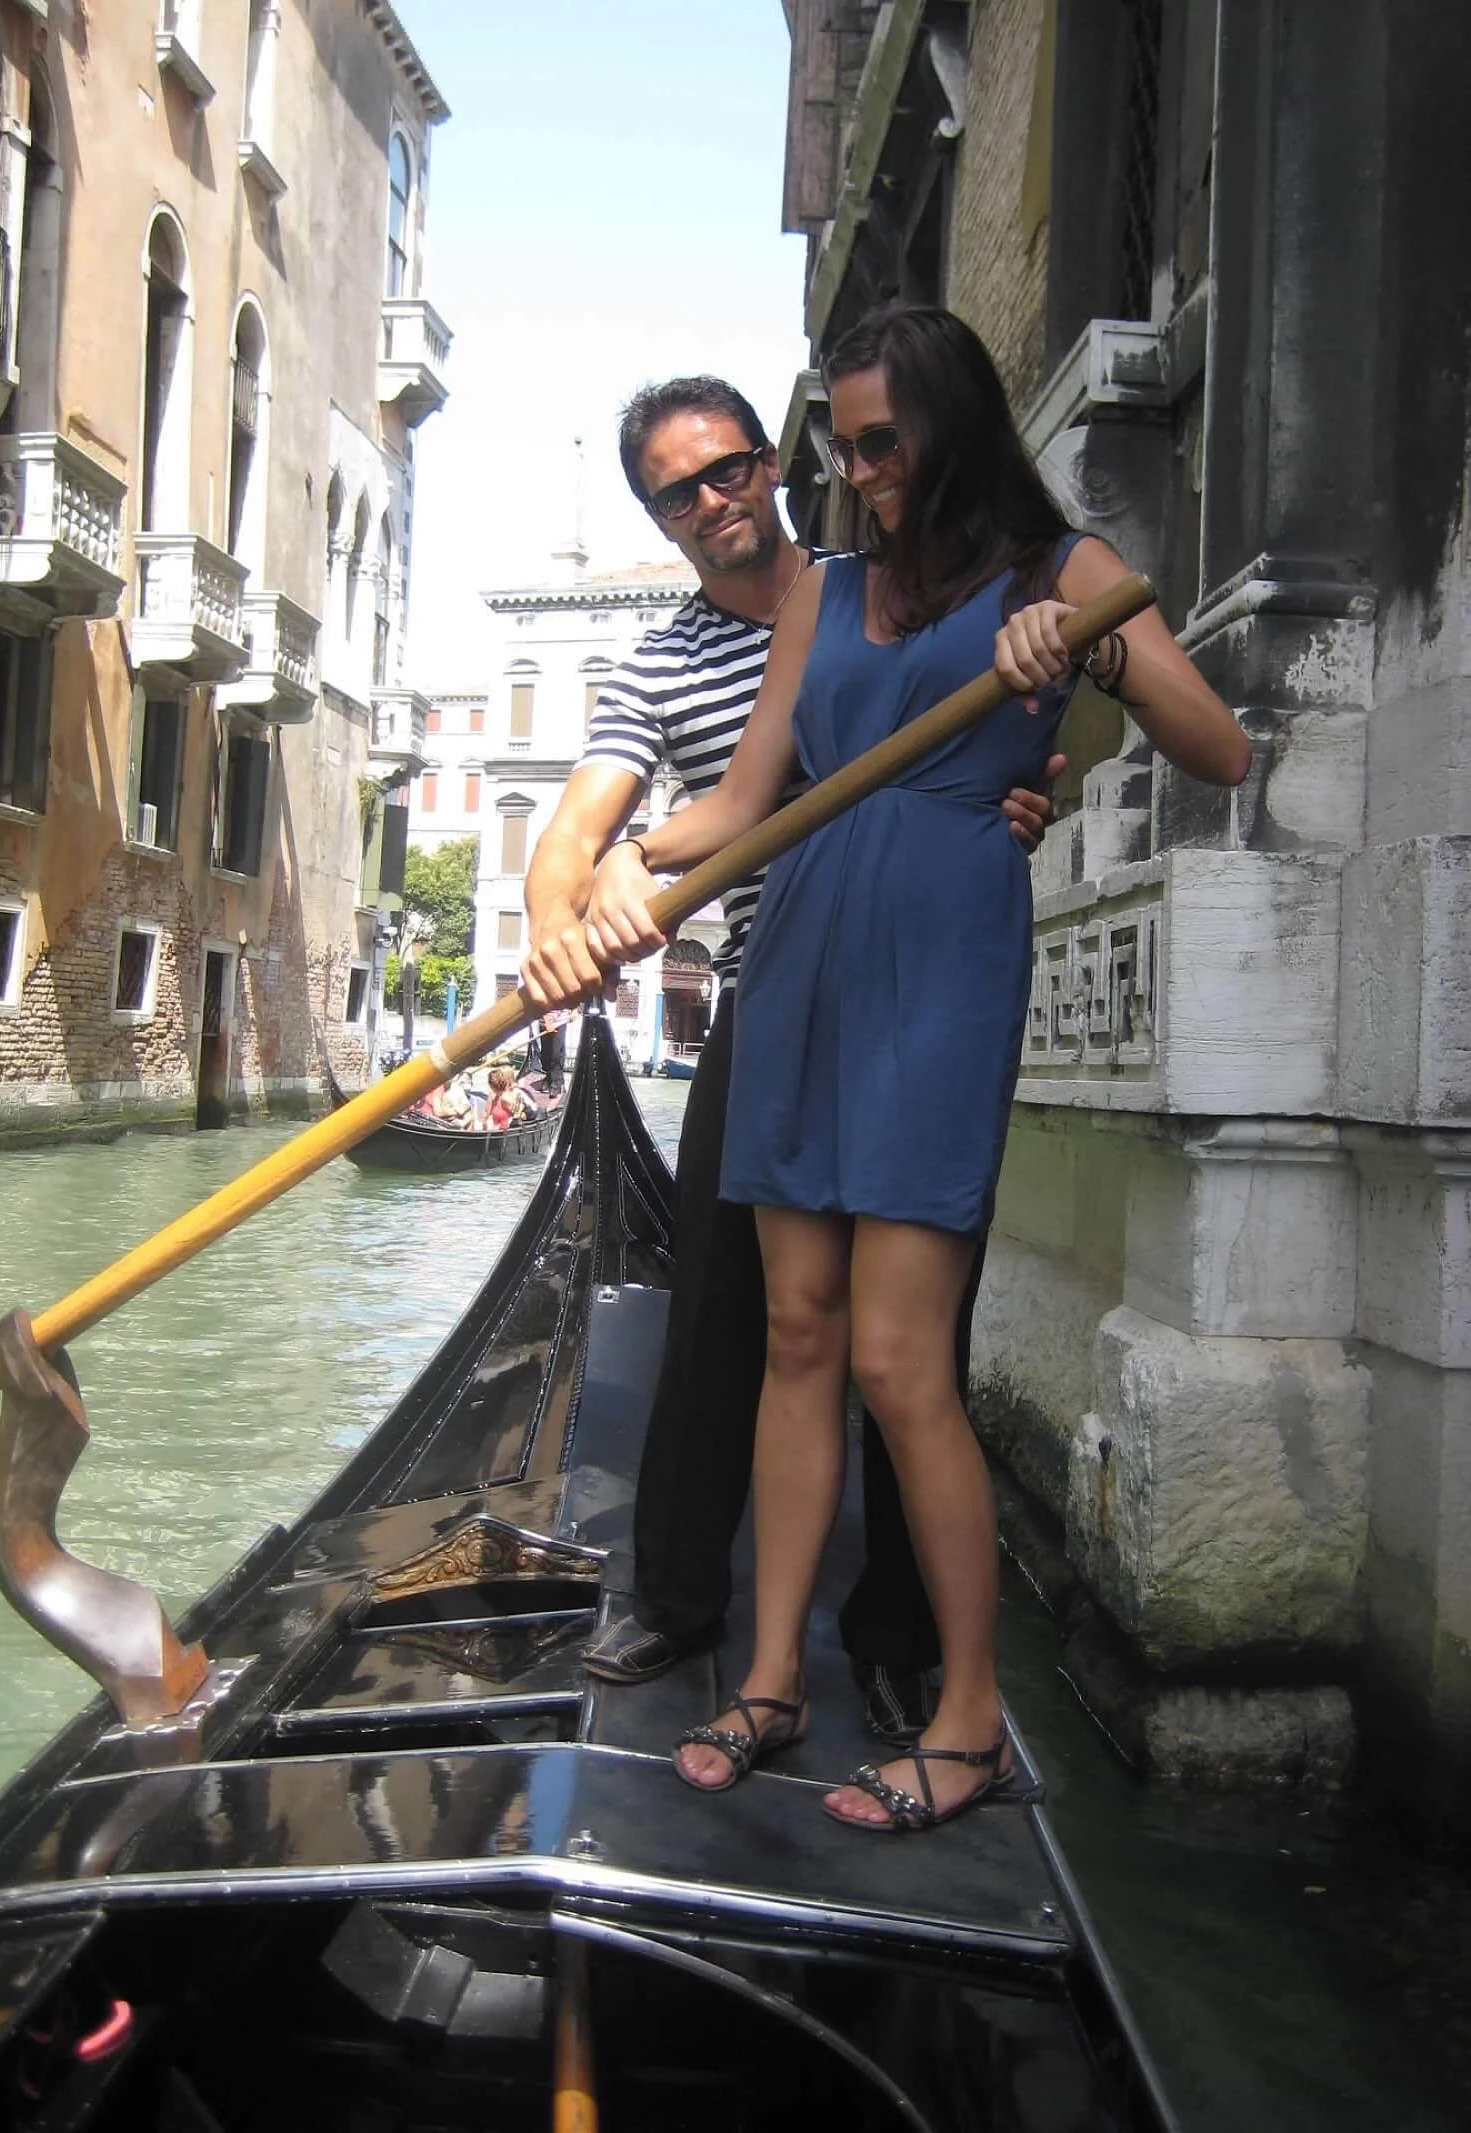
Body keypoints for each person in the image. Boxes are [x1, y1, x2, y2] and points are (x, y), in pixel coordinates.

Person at [574, 305, 1250, 1831]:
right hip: (802, 952)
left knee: (896, 1361)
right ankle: (770, 1679)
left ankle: (967, 1715)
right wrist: (620, 872)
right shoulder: (821, 589)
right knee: (797, 1338)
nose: (859, 470)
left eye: (882, 442)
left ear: (949, 427)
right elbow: (746, 801)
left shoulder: (1057, 575)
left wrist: (1085, 665)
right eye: (842, 443)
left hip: (941, 965)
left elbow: (1219, 748)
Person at [521, 372, 1063, 1749]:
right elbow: (591, 821)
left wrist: (1028, 783)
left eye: (729, 469)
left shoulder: (882, 586)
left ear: (773, 465)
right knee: (724, 1312)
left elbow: (1022, 699)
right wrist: (564, 911)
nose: (712, 502)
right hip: (771, 991)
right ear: (655, 513)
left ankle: (896, 1640)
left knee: (907, 1345)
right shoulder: (660, 664)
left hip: (912, 986)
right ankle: (684, 1596)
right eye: (676, 491)